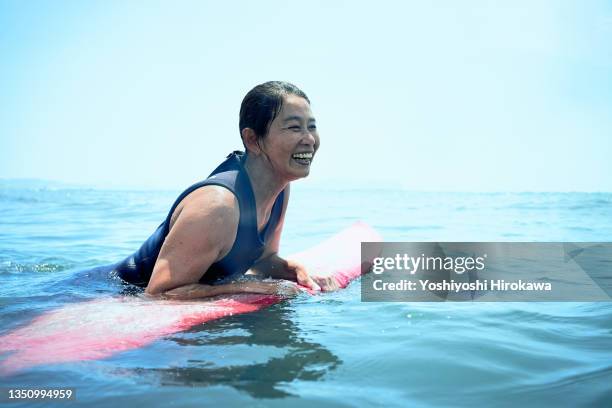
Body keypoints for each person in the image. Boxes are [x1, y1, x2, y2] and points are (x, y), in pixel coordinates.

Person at [112, 81, 338, 299]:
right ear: (252, 139)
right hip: (112, 292)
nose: (309, 139)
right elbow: (159, 293)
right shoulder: (217, 207)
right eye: (294, 127)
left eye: (312, 126)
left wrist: (295, 270)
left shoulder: (280, 188)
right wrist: (247, 287)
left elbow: (261, 260)